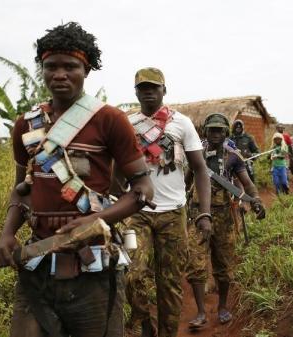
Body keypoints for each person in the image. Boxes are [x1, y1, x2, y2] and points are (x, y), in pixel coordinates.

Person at [0, 22, 154, 337]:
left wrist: (95, 220)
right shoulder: (26, 125)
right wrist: (7, 232)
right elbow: (22, 189)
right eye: (51, 66)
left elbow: (143, 189)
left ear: (87, 69)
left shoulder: (110, 120)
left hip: (92, 265)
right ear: (42, 69)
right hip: (38, 262)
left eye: (71, 66)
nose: (60, 74)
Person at [125, 67, 212, 337]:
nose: (148, 91)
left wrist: (204, 213)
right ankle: (145, 324)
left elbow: (199, 169)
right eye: (143, 87)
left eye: (154, 87)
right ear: (136, 92)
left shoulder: (181, 123)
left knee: (170, 284)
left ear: (164, 90)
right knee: (132, 275)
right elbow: (116, 167)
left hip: (173, 214)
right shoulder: (127, 124)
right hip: (136, 212)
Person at [186, 113, 265, 329]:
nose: (215, 134)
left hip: (224, 217)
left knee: (224, 266)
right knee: (195, 264)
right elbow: (185, 182)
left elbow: (247, 184)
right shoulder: (195, 154)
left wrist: (255, 200)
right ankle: (201, 312)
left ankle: (223, 307)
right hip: (197, 215)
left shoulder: (233, 156)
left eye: (220, 130)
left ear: (226, 132)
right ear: (205, 131)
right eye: (212, 129)